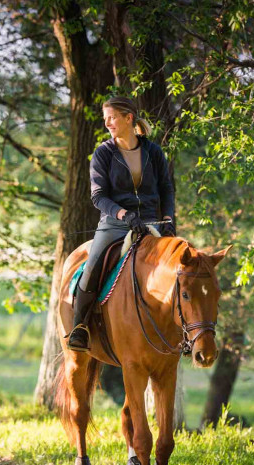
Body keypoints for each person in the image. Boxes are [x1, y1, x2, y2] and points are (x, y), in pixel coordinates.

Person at [67, 96, 176, 352]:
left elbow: (166, 189)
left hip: (152, 222)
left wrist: (169, 217)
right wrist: (124, 215)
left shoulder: (154, 152)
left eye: (112, 117)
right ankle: (80, 327)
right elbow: (98, 197)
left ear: (128, 118)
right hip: (115, 223)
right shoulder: (103, 153)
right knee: (92, 267)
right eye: (105, 119)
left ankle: (180, 329)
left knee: (182, 266)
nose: (108, 123)